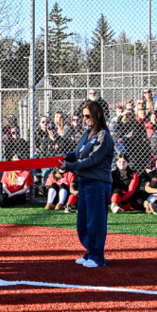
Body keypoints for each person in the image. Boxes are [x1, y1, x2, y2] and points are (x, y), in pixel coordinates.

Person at [63, 100, 115, 268]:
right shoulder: (87, 134)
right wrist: (66, 157)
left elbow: (93, 159)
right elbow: (78, 153)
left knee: (96, 221)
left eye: (88, 116)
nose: (85, 119)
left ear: (96, 115)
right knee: (83, 221)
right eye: (83, 116)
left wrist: (69, 166)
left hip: (98, 183)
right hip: (85, 182)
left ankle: (98, 257)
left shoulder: (103, 136)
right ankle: (91, 251)